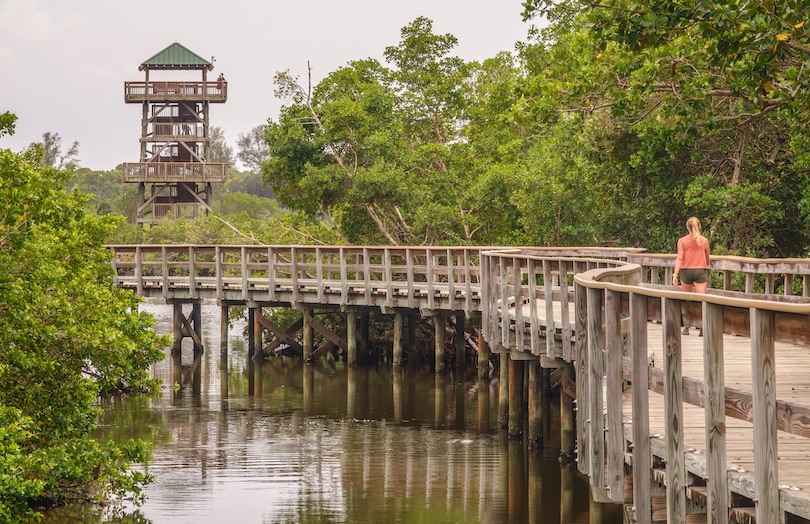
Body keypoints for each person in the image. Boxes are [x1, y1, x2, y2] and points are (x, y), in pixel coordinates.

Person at [672, 216, 711, 334]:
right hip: (700, 271)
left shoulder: (682, 241)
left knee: (687, 299)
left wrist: (675, 275)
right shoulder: (704, 241)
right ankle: (702, 327)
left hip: (686, 271)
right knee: (702, 300)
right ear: (699, 226)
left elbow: (679, 258)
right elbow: (707, 259)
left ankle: (686, 327)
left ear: (687, 227)